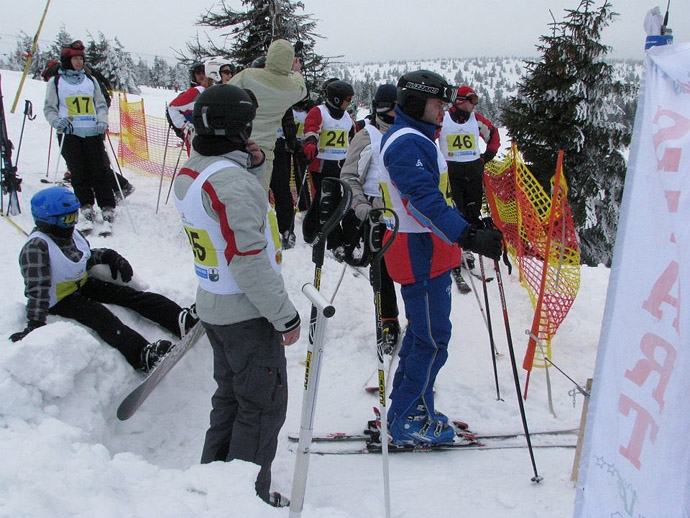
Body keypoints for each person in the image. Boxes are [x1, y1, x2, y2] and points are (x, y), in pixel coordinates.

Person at [172, 84, 301, 508]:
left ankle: (211, 487)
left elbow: (229, 196)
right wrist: (285, 316)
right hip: (247, 315)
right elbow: (248, 260)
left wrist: (251, 161)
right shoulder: (231, 184)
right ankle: (246, 502)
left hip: (216, 305)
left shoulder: (193, 171)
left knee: (230, 401)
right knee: (262, 408)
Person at [379, 70, 503, 445]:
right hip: (419, 250)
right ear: (417, 102)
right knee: (433, 338)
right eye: (438, 104)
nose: (443, 111)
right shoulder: (405, 142)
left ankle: (409, 404)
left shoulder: (418, 138)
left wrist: (470, 225)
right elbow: (422, 200)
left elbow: (437, 195)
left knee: (423, 335)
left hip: (428, 248)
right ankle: (408, 416)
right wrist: (466, 234)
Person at [10, 187, 197, 373]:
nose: (72, 223)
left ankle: (179, 319)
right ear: (47, 221)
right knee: (101, 317)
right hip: (59, 300)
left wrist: (109, 256)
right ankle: (142, 354)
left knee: (130, 295)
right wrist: (35, 323)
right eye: (67, 219)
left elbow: (83, 257)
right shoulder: (36, 248)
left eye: (74, 216)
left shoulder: (69, 234)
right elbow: (37, 289)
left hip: (81, 284)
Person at [340, 83, 401, 350]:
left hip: (407, 215)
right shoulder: (367, 136)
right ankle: (388, 319)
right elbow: (349, 175)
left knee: (411, 269)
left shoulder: (408, 133)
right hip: (378, 213)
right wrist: (360, 203)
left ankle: (418, 319)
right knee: (381, 271)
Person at [43, 40, 117, 234]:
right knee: (78, 171)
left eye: (81, 59)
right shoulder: (56, 82)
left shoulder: (90, 80)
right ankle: (85, 206)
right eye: (75, 58)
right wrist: (56, 121)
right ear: (67, 60)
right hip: (70, 134)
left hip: (92, 132)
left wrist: (102, 120)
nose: (78, 62)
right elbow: (49, 108)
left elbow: (100, 104)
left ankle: (107, 207)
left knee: (99, 169)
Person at [41, 59, 135, 203]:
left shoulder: (87, 79)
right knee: (81, 162)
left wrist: (99, 119)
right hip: (76, 127)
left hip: (92, 125)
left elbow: (100, 101)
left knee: (96, 164)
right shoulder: (64, 79)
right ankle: (95, 185)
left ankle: (121, 185)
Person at [439, 84, 501, 283]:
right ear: (460, 101)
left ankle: (468, 250)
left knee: (473, 213)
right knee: (456, 212)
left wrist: (486, 157)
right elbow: (426, 138)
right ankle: (454, 251)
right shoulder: (443, 119)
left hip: (473, 172)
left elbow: (493, 134)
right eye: (472, 100)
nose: (474, 105)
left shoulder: (476, 119)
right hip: (452, 173)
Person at [229, 39, 307, 190]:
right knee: (258, 198)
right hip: (264, 151)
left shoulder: (247, 75)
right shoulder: (292, 89)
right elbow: (302, 89)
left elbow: (224, 92)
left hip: (236, 144)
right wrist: (296, 71)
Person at [302, 79, 356, 251]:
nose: (349, 103)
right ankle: (333, 240)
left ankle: (311, 229)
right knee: (328, 201)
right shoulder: (319, 112)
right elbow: (311, 128)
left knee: (329, 200)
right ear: (337, 99)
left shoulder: (347, 118)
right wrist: (310, 143)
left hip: (340, 164)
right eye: (347, 99)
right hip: (321, 165)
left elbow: (354, 136)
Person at [167, 62, 207, 152]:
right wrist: (184, 127)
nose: (201, 76)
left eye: (203, 72)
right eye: (198, 73)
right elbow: (172, 108)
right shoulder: (193, 92)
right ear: (193, 75)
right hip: (195, 136)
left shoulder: (210, 89)